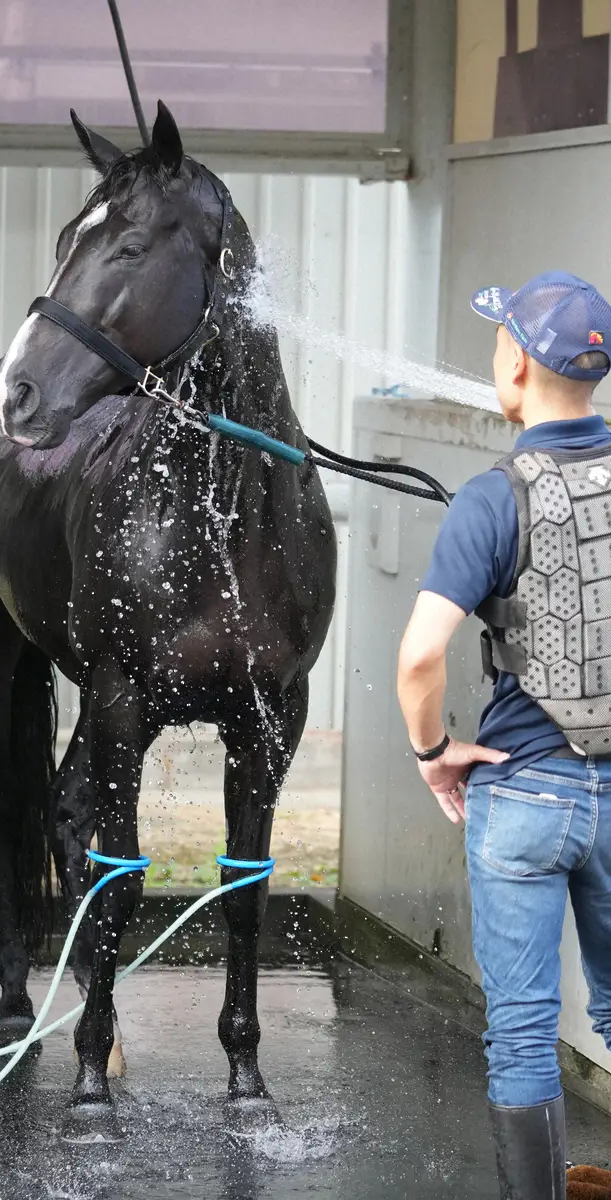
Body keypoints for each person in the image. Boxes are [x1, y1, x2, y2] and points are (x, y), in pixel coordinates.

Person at [397, 271, 611, 1200]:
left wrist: (432, 753)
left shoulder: (491, 500)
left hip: (523, 792)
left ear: (515, 363)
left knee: (523, 1029)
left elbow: (418, 660)